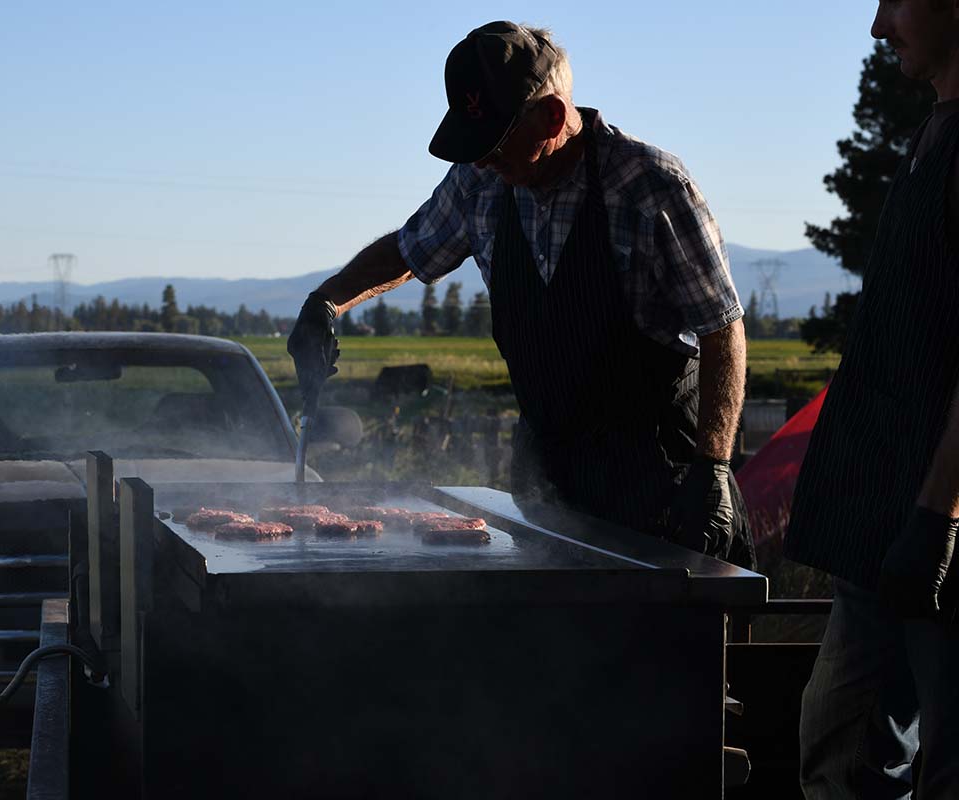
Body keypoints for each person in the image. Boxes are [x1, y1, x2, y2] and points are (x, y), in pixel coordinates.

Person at [287, 20, 753, 566]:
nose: (481, 159)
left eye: (494, 142)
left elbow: (723, 330)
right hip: (546, 485)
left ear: (551, 117)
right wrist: (326, 301)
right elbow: (408, 250)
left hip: (658, 485)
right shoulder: (478, 183)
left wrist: (713, 469)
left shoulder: (650, 186)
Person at [783, 1, 959, 797]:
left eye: (897, 1)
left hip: (938, 536)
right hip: (880, 526)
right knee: (842, 752)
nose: (879, 26)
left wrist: (936, 517)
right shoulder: (932, 133)